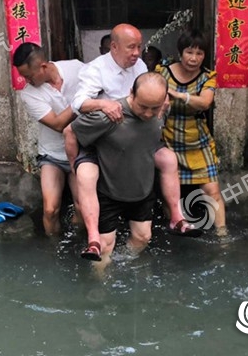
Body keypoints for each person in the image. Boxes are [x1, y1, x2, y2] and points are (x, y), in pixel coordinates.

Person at [64, 23, 191, 262]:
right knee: (86, 176)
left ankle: (176, 216)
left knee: (167, 158)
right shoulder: (96, 70)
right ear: (113, 47)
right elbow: (78, 105)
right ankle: (93, 239)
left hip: (136, 136)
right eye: (131, 47)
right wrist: (104, 104)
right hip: (102, 133)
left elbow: (148, 88)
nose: (137, 52)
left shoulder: (140, 66)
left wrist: (158, 104)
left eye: (139, 47)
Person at [69, 72, 168, 265]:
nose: (148, 114)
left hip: (141, 187)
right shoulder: (110, 116)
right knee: (105, 247)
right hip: (108, 189)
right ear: (132, 93)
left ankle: (122, 263)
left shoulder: (162, 111)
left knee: (142, 237)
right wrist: (74, 166)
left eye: (154, 108)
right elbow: (70, 131)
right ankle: (102, 287)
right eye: (143, 107)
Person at [157, 28, 227, 236]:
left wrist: (178, 95)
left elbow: (205, 102)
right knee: (170, 195)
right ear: (181, 52)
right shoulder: (163, 72)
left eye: (199, 53)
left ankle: (222, 233)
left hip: (199, 140)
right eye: (189, 52)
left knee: (212, 191)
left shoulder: (208, 76)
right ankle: (175, 229)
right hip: (169, 138)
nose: (194, 58)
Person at [13, 42, 83, 236]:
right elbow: (58, 124)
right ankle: (53, 250)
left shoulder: (76, 69)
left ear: (43, 67)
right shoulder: (28, 94)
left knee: (82, 207)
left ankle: (80, 245)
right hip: (52, 155)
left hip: (81, 151)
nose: (25, 80)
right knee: (50, 209)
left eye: (28, 75)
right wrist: (81, 101)